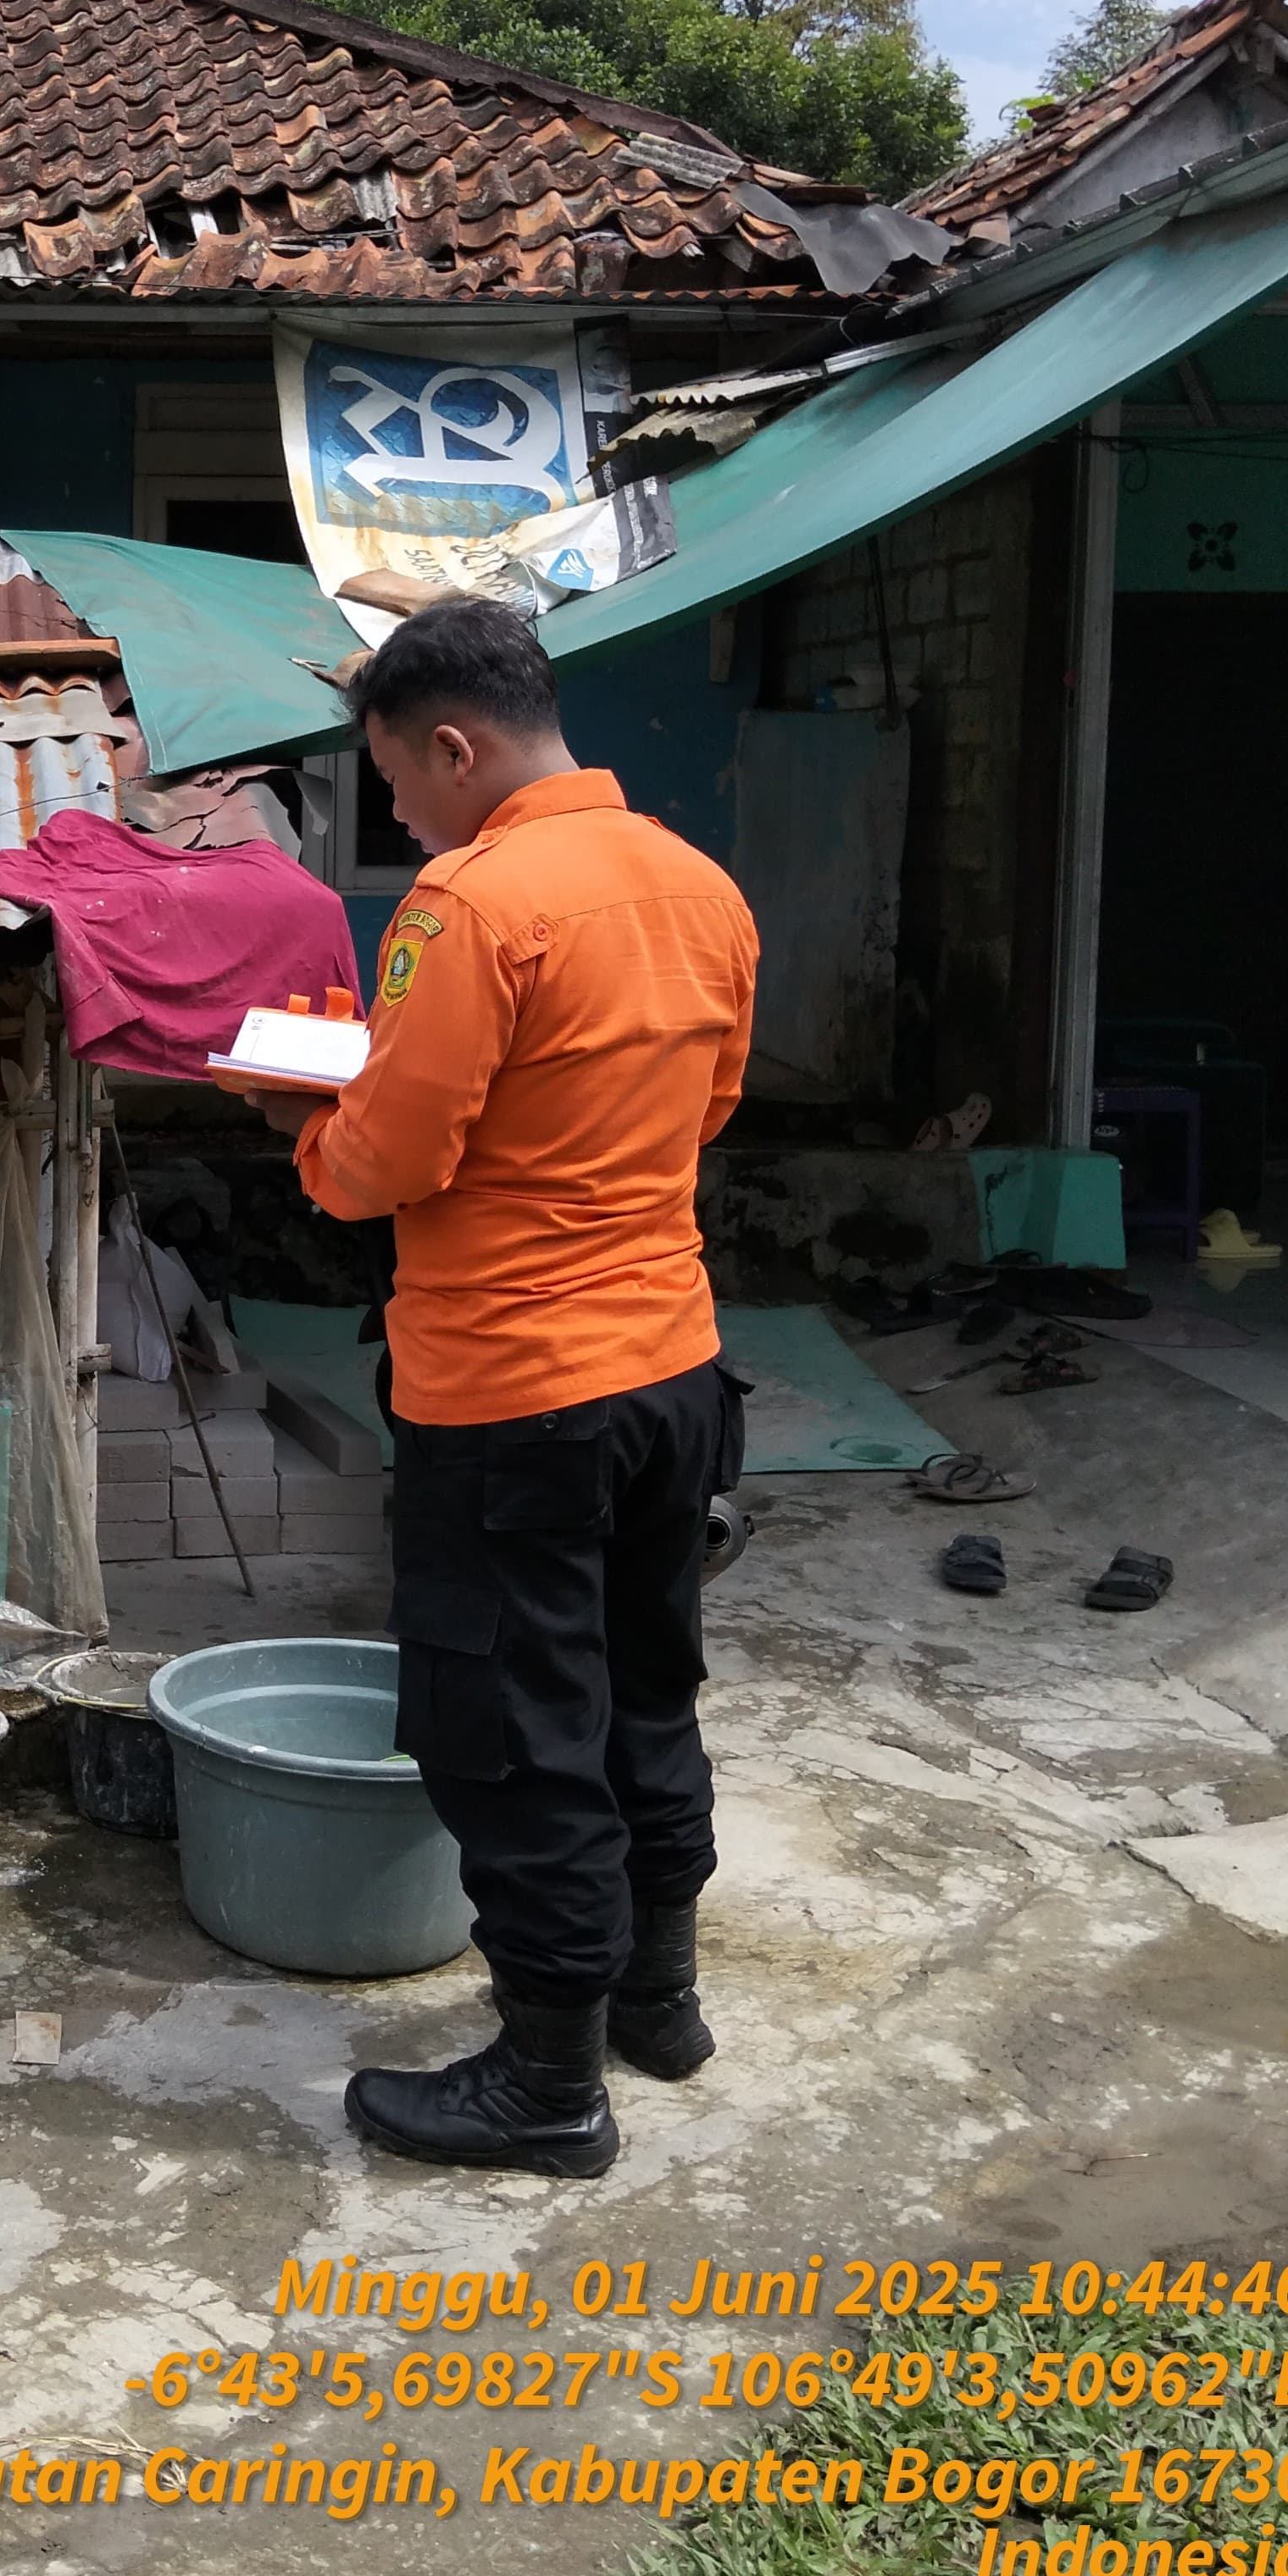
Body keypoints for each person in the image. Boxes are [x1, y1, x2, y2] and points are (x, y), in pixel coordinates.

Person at [253, 598, 757, 2179]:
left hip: (512, 1389)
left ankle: (547, 2081)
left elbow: (388, 1163)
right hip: (671, 1365)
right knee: (641, 1679)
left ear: (457, 746)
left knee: (514, 1727)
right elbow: (705, 1108)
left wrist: (305, 1120)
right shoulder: (700, 885)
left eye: (397, 784)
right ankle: (655, 2001)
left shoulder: (469, 906)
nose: (398, 816)